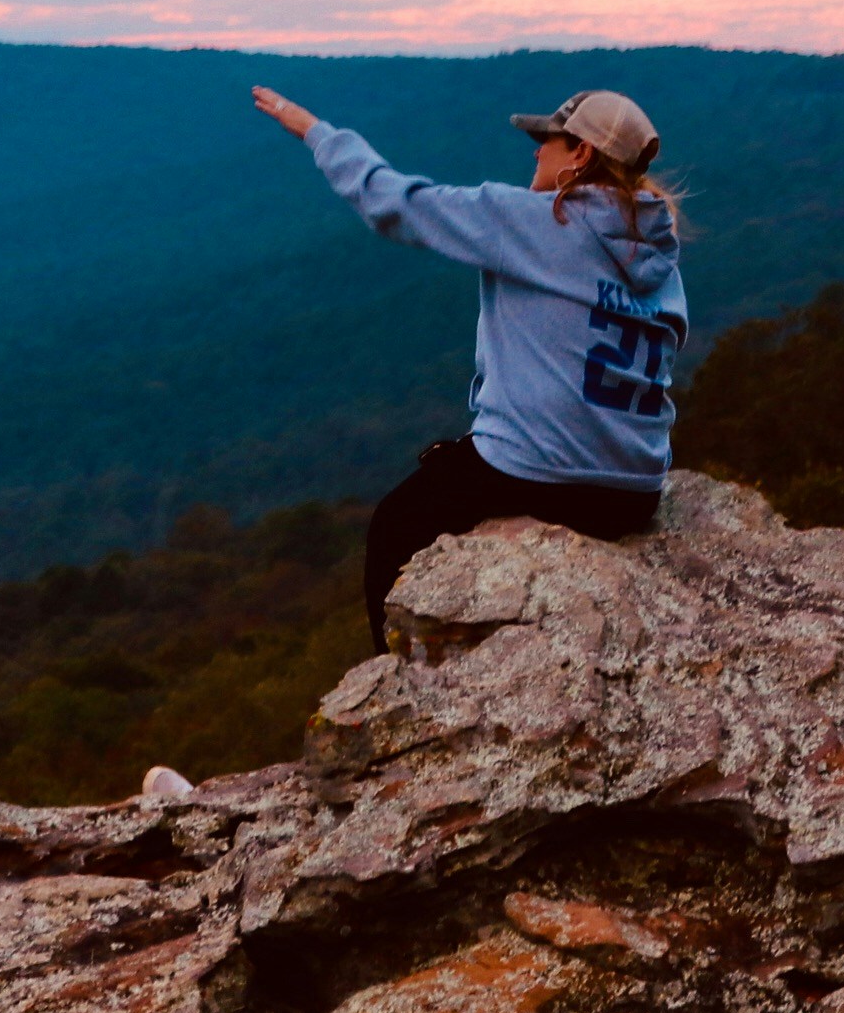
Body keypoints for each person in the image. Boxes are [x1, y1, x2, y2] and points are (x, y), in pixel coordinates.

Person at [250, 80, 688, 647]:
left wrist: (318, 134)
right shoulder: (660, 258)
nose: (536, 150)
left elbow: (398, 204)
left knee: (395, 523)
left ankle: (397, 674)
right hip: (635, 489)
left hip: (550, 472)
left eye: (549, 140)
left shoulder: (534, 220)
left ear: (580, 155)